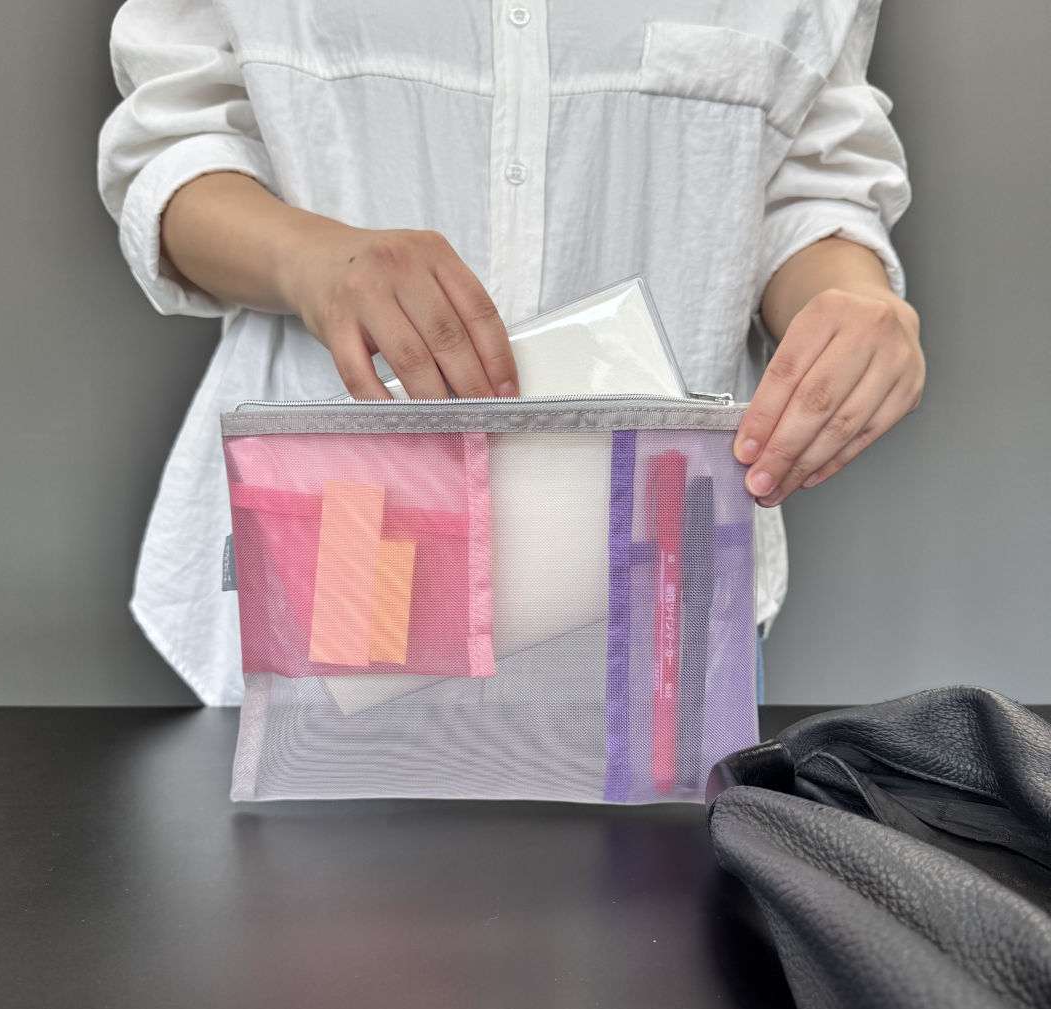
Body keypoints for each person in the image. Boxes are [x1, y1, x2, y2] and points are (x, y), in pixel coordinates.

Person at [98, 0, 924, 707]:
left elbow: (806, 185)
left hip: (648, 569)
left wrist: (852, 302)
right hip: (346, 531)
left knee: (648, 851)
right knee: (323, 837)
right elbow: (176, 144)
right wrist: (311, 260)